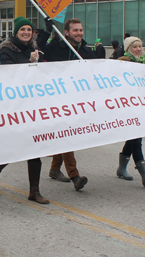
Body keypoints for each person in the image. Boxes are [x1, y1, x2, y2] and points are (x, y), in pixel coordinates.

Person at [0, 17, 49, 204]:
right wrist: (28, 64)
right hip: (14, 105)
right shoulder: (5, 49)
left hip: (32, 103)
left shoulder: (34, 48)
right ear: (16, 31)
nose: (26, 32)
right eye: (22, 29)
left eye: (29, 29)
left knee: (34, 146)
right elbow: (7, 74)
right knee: (16, 145)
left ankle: (34, 191)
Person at [37, 18, 95, 191]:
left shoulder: (85, 50)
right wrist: (47, 31)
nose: (79, 33)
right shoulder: (56, 47)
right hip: (57, 99)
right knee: (67, 134)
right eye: (75, 30)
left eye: (81, 30)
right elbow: (39, 50)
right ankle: (74, 175)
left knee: (66, 135)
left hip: (77, 100)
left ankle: (55, 169)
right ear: (67, 33)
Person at [117, 37, 145, 187]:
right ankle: (144, 174)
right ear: (128, 49)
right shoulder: (124, 63)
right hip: (129, 106)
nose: (139, 49)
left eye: (140, 46)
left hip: (142, 104)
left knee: (134, 137)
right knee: (136, 138)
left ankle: (121, 169)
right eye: (135, 47)